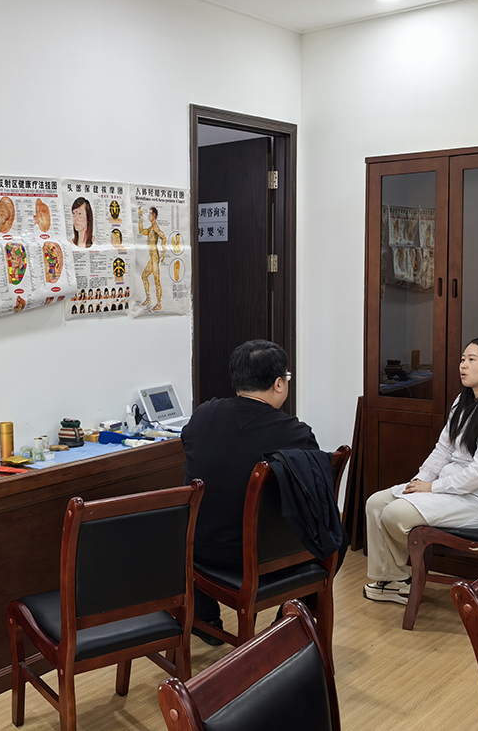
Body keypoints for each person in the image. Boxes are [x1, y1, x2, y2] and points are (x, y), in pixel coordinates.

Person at [363, 337, 478, 604]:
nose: (463, 365)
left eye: (472, 360)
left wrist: (432, 487)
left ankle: (402, 577)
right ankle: (393, 581)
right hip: (454, 489)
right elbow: (443, 450)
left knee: (394, 514)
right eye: (462, 359)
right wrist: (420, 480)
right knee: (375, 503)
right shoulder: (463, 401)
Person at [182, 339, 318, 642]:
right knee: (334, 541)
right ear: (279, 384)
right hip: (260, 556)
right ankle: (285, 625)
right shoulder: (295, 433)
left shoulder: (203, 415)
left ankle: (205, 618)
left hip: (196, 547)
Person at [137, 206, 166, 311]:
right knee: (144, 276)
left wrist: (163, 251)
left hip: (155, 257)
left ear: (154, 215)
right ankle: (149, 299)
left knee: (156, 280)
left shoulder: (155, 227)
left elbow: (164, 237)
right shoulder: (150, 228)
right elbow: (141, 231)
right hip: (152, 257)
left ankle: (159, 304)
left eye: (150, 214)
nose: (149, 216)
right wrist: (140, 217)